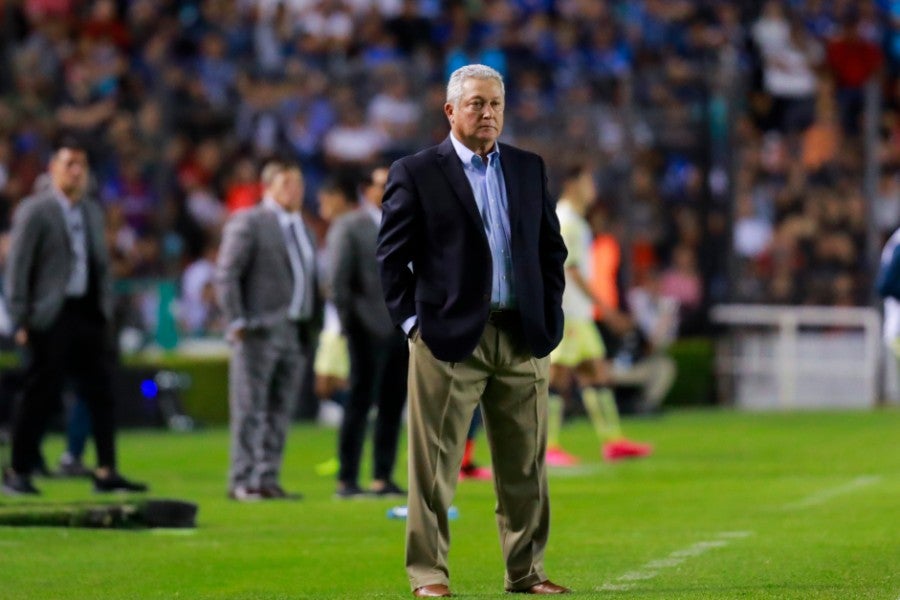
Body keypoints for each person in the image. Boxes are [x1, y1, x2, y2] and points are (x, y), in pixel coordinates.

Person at [377, 64, 571, 597]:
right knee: (434, 470)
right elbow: (391, 260)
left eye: (495, 105)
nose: (487, 114)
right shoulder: (416, 171)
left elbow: (552, 251)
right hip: (448, 344)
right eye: (476, 104)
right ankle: (429, 576)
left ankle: (526, 572)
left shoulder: (529, 168)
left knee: (526, 470)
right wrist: (416, 325)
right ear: (450, 111)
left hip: (522, 336)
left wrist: (548, 317)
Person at [2, 138, 147, 495]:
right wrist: (21, 318)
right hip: (51, 315)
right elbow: (17, 269)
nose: (76, 171)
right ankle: (18, 470)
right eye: (69, 164)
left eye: (81, 165)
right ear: (52, 169)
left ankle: (105, 470)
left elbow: (100, 265)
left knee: (101, 392)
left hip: (87, 312)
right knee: (41, 392)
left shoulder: (90, 211)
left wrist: (105, 308)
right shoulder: (36, 210)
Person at [216, 160, 321, 502]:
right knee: (250, 409)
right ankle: (242, 479)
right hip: (259, 330)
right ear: (268, 188)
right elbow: (227, 273)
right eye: (287, 183)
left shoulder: (304, 228)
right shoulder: (249, 221)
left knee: (279, 409)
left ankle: (266, 477)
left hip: (295, 330)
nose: (295, 190)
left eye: (299, 183)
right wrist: (236, 320)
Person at [547, 164, 652, 465]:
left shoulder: (574, 220)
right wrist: (606, 310)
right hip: (568, 310)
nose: (593, 188)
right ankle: (547, 446)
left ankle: (613, 441)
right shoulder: (567, 221)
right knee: (558, 376)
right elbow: (570, 270)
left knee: (596, 372)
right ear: (572, 184)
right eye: (588, 181)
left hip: (577, 312)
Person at [327, 166, 409, 499]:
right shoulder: (350, 226)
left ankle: (382, 476)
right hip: (365, 328)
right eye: (381, 184)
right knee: (359, 404)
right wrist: (351, 326)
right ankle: (346, 479)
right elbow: (338, 283)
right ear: (366, 189)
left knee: (392, 405)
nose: (388, 189)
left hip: (401, 327)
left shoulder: (407, 224)